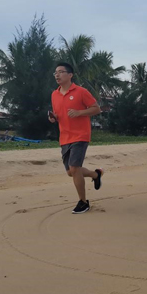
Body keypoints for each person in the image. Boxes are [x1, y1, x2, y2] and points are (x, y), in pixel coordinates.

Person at [49, 62, 103, 214]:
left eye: (61, 72)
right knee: (71, 172)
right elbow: (58, 114)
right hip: (64, 136)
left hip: (80, 135)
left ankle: (83, 202)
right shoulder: (54, 94)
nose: (57, 75)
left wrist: (79, 112)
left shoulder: (81, 91)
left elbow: (96, 109)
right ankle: (95, 174)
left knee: (74, 168)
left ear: (70, 75)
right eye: (55, 72)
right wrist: (53, 118)